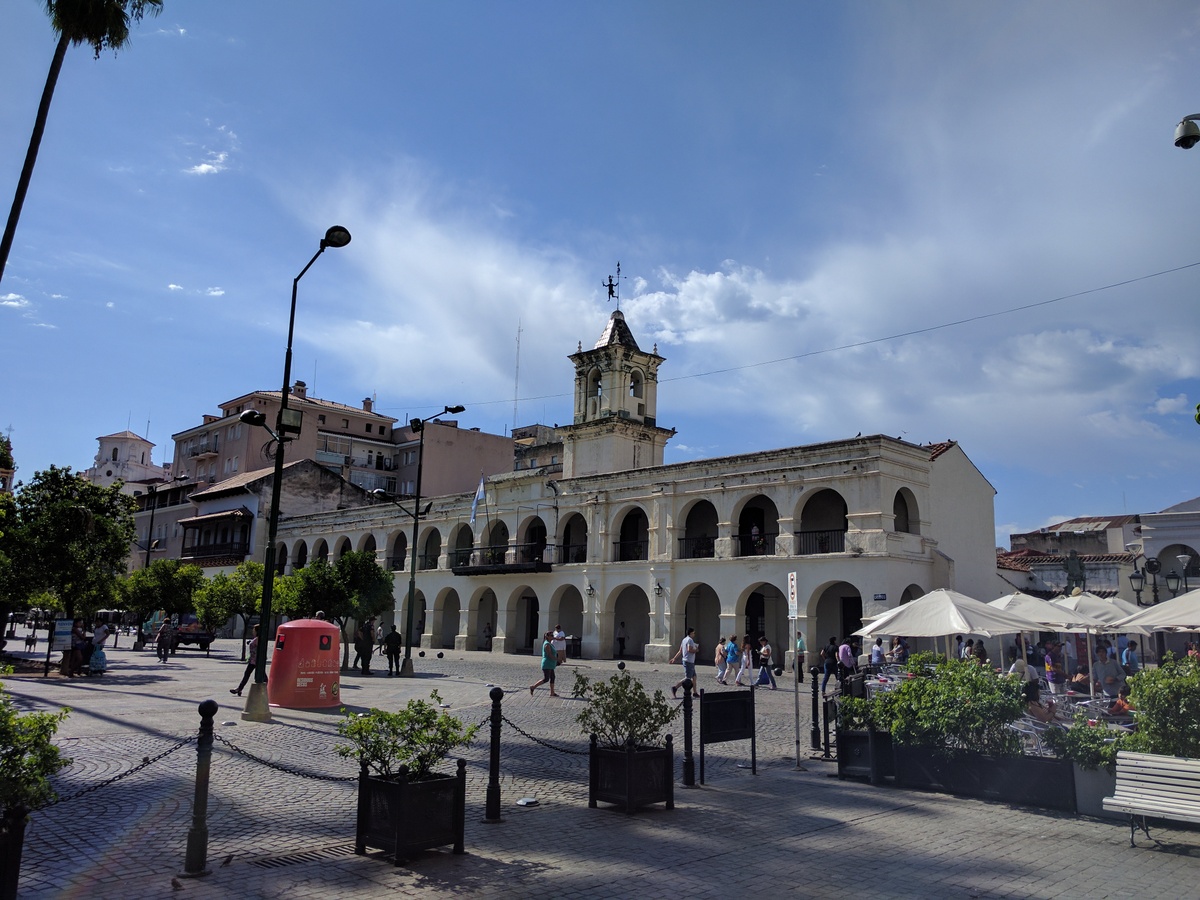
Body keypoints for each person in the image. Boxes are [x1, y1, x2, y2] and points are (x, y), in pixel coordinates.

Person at [670, 627, 701, 699]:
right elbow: (689, 649)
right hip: (688, 661)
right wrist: (696, 650)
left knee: (694, 677)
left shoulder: (684, 640)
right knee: (688, 678)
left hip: (688, 661)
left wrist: (674, 658)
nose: (694, 634)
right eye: (693, 633)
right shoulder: (690, 640)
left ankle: (695, 692)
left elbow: (680, 651)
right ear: (691, 633)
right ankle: (675, 687)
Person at [230, 625, 260, 696]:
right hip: (252, 660)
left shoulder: (259, 639)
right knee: (247, 674)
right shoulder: (256, 638)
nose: (253, 631)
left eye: (254, 630)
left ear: (257, 631)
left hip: (257, 661)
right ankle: (239, 689)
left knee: (262, 677)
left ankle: (268, 690)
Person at [529, 630, 558, 696]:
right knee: (546, 678)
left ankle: (552, 692)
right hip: (547, 664)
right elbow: (549, 655)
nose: (553, 637)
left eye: (553, 635)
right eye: (551, 635)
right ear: (547, 636)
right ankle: (533, 687)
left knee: (552, 677)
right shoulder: (547, 644)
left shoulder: (550, 643)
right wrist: (557, 659)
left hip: (551, 664)